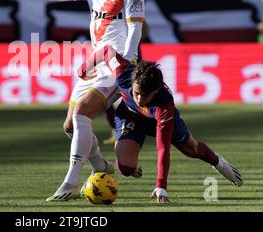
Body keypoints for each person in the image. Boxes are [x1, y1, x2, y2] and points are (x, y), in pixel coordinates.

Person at [0, 0, 145, 201]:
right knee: (70, 126)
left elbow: (135, 29)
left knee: (83, 112)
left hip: (118, 65)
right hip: (96, 64)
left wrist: (126, 64)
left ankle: (71, 181)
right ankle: (100, 167)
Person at [78, 45, 244, 203]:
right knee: (125, 168)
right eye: (136, 93)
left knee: (192, 150)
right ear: (133, 82)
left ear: (155, 91)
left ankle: (218, 163)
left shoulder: (164, 106)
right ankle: (133, 165)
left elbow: (162, 147)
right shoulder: (123, 73)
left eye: (145, 96)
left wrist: (161, 186)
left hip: (157, 123)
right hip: (130, 117)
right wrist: (83, 69)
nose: (139, 99)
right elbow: (106, 50)